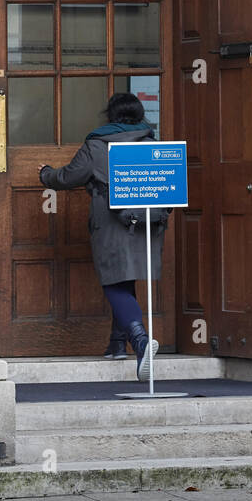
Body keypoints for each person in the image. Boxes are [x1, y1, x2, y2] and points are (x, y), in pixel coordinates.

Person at [39, 92, 169, 381]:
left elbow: (69, 177)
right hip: (148, 220)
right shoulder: (152, 143)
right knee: (125, 277)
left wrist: (46, 174)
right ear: (139, 114)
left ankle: (140, 341)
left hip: (111, 221)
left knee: (112, 281)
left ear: (110, 114)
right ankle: (116, 344)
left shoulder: (98, 143)